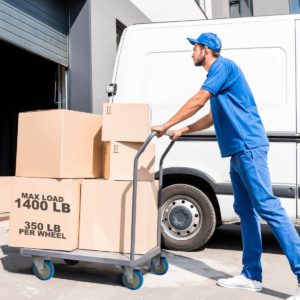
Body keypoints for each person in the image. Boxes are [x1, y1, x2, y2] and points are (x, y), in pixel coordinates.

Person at [152, 32, 300, 300]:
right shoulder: (219, 79)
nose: (191, 53)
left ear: (205, 50)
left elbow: (198, 101)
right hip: (238, 152)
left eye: (194, 47)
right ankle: (251, 275)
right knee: (244, 210)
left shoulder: (222, 67)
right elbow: (210, 117)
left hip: (249, 148)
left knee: (267, 206)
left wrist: (166, 124)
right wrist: (183, 129)